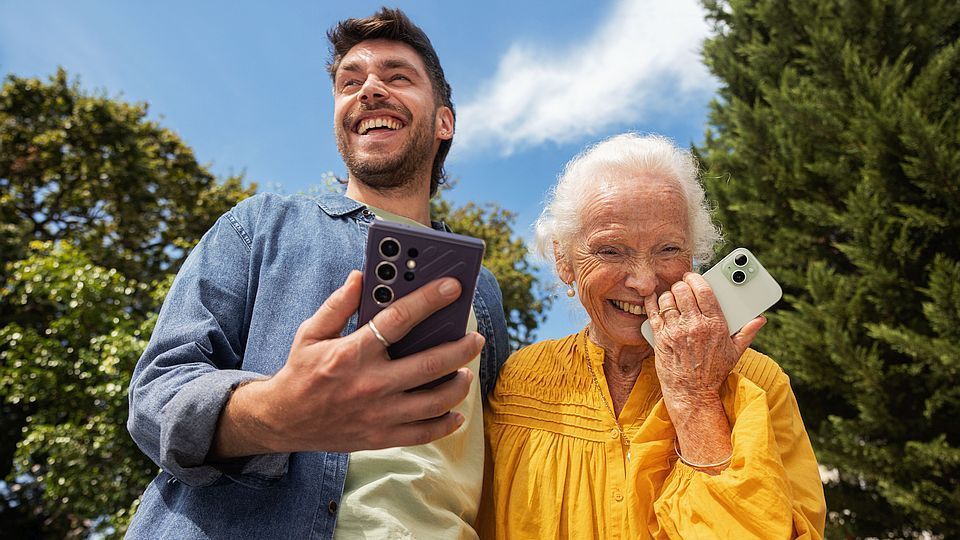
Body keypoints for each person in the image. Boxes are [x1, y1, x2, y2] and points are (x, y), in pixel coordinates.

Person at [125, 8, 509, 539]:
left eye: (397, 76)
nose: (368, 89)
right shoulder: (258, 225)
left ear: (444, 121)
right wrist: (275, 414)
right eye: (350, 82)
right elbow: (155, 396)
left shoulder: (483, 289)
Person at [478, 133, 826, 538]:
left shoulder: (760, 383)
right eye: (611, 251)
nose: (644, 282)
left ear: (693, 257)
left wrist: (696, 398)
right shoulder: (518, 382)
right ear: (564, 260)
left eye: (668, 249)